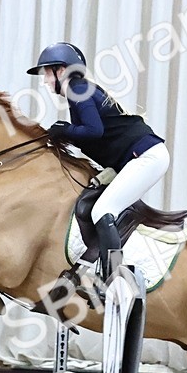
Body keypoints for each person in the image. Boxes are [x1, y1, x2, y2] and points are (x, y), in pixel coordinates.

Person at [27, 42, 170, 276]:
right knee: (102, 207)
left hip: (146, 156)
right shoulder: (82, 89)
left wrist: (65, 130)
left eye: (47, 73)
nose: (44, 81)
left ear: (61, 70)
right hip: (141, 156)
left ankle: (114, 276)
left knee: (103, 210)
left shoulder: (77, 89)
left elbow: (95, 131)